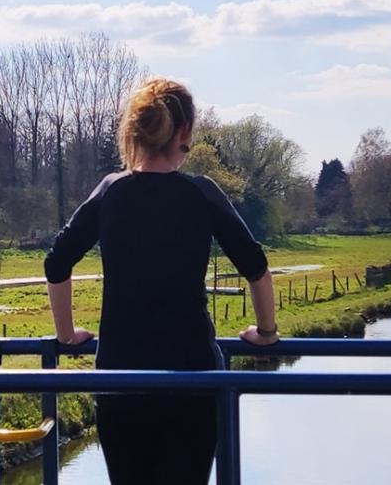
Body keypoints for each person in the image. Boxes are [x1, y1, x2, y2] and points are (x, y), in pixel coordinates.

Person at [43, 77, 279, 484]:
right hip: (193, 378)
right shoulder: (202, 192)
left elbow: (56, 264)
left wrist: (66, 334)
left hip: (121, 379)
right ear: (184, 132)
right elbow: (256, 268)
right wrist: (266, 332)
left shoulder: (111, 191)